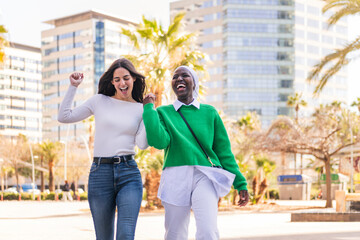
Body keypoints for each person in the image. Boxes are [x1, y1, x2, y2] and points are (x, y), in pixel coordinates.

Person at [142, 66, 249, 240]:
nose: (179, 79)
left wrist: (240, 183)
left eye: (185, 75)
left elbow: (224, 152)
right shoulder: (163, 112)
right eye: (175, 77)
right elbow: (158, 142)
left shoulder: (209, 112)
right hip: (175, 175)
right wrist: (149, 109)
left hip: (205, 175)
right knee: (175, 233)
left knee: (208, 231)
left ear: (194, 82)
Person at [58, 58, 148, 240]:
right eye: (117, 79)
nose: (122, 83)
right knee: (103, 237)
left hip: (129, 173)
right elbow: (64, 116)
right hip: (100, 173)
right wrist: (73, 87)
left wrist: (149, 112)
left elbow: (142, 144)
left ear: (134, 80)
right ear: (112, 82)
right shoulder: (99, 101)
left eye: (126, 78)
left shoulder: (140, 109)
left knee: (125, 234)